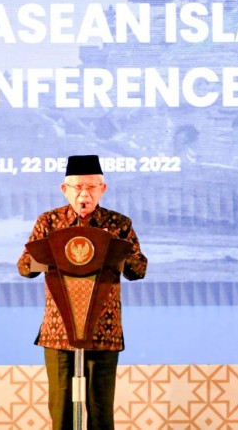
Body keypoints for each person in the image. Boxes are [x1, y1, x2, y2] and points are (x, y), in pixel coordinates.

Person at [17, 154, 148, 430]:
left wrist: (113, 249)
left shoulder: (118, 224)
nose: (84, 193)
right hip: (59, 330)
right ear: (65, 190)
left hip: (103, 330)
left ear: (103, 189)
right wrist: (48, 254)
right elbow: (25, 267)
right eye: (78, 187)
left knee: (101, 415)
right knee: (61, 413)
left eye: (91, 187)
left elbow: (138, 269)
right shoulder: (49, 222)